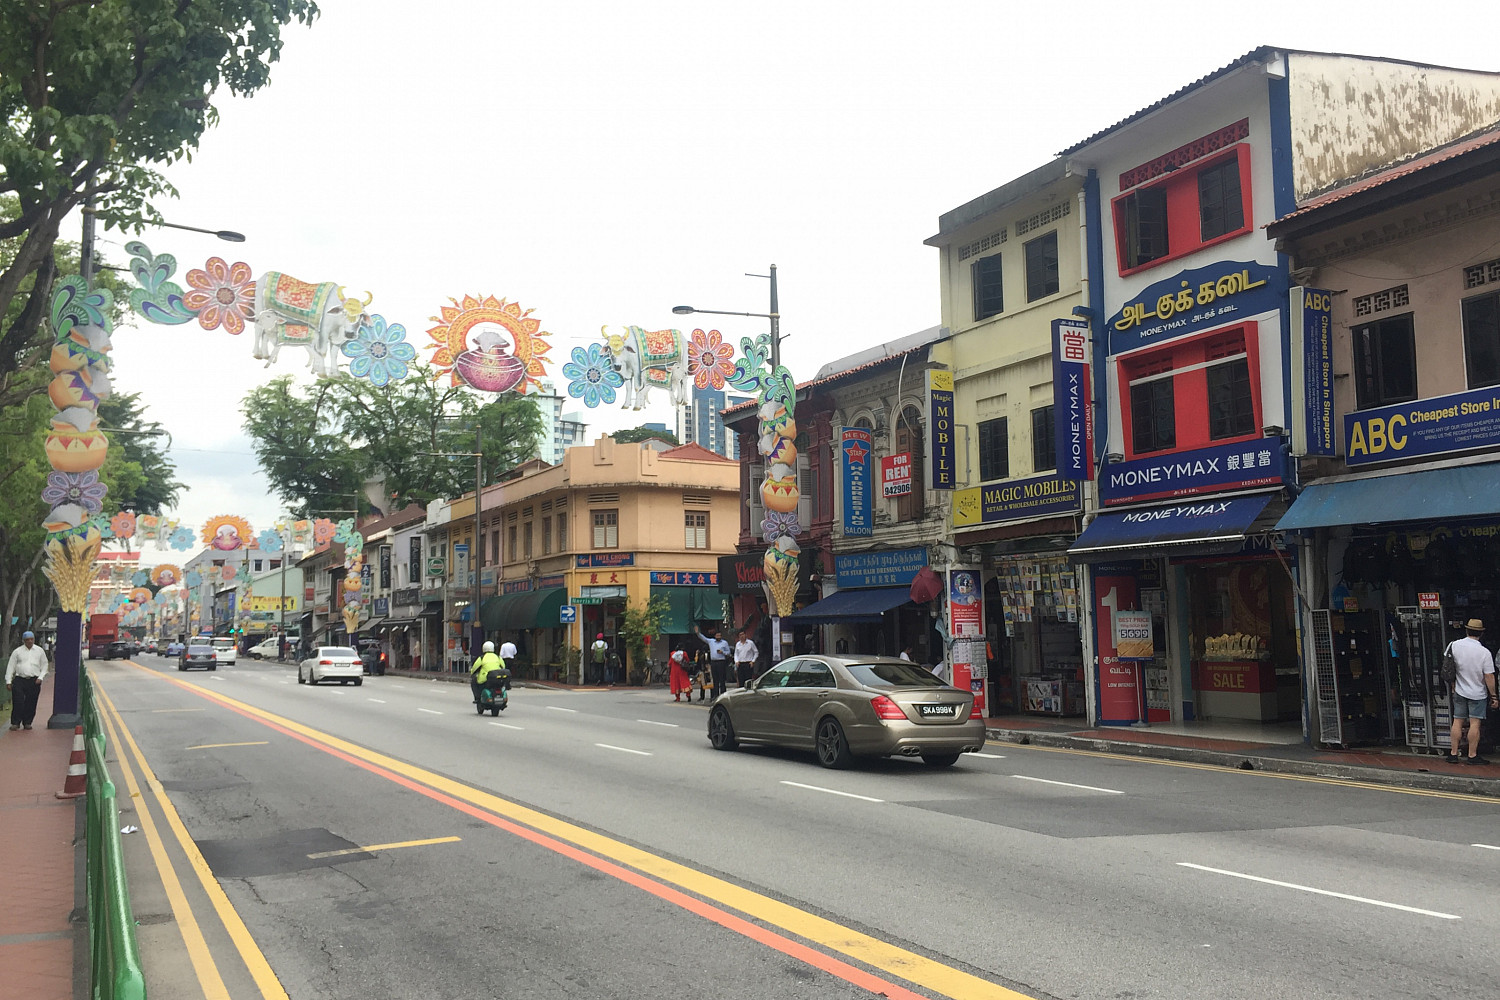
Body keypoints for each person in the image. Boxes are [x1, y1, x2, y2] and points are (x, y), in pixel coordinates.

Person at [1446, 618, 1498, 765]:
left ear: (1467, 630)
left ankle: (1453, 753)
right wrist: (1494, 696)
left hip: (1459, 691)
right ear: (1481, 633)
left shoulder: (1454, 645)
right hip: (1478, 693)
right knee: (1475, 723)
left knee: (1457, 721)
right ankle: (1472, 755)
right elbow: (1488, 676)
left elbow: (1449, 667)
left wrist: (1453, 684)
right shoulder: (1484, 652)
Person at [6, 630, 49, 731]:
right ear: (24, 641)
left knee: (31, 701)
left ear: (34, 639)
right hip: (19, 680)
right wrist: (8, 681)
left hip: (34, 680)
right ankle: (15, 722)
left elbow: (44, 665)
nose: (29, 641)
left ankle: (27, 722)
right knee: (18, 701)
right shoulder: (17, 652)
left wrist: (41, 677)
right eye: (27, 640)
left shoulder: (39, 651)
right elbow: (10, 666)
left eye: (31, 639)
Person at [692, 625, 731, 701]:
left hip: (721, 662)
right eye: (717, 635)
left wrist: (722, 652)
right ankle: (715, 695)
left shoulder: (724, 643)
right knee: (715, 680)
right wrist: (697, 633)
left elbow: (728, 652)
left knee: (722, 680)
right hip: (713, 662)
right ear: (715, 636)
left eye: (720, 635)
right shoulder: (711, 641)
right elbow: (703, 638)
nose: (718, 636)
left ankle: (723, 695)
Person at [470, 640, 508, 706]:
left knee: (474, 683)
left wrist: (472, 673)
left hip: (485, 679)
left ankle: (477, 698)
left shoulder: (482, 658)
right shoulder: (498, 657)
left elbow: (474, 668)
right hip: (497, 678)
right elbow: (503, 666)